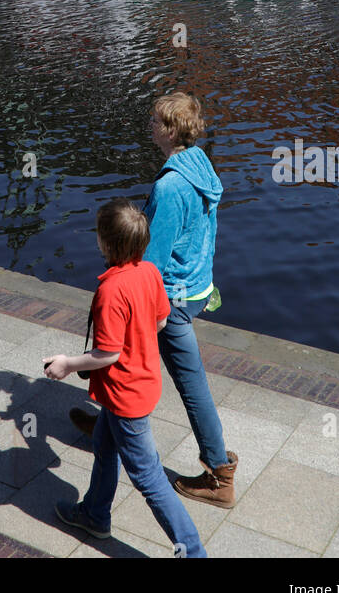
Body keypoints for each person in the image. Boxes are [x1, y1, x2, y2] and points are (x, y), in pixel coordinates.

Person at [71, 92, 237, 507]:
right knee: (125, 356)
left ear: (167, 130)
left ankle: (219, 476)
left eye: (154, 120)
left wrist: (139, 302)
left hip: (172, 297)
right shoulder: (200, 163)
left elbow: (153, 258)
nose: (149, 125)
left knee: (185, 379)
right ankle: (108, 425)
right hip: (198, 287)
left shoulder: (168, 186)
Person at [44, 199, 206, 557]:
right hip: (143, 383)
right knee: (103, 446)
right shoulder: (149, 272)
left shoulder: (110, 290)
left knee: (149, 479)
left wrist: (66, 364)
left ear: (106, 244)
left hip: (125, 397)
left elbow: (108, 353)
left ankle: (192, 552)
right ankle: (95, 514)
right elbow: (161, 321)